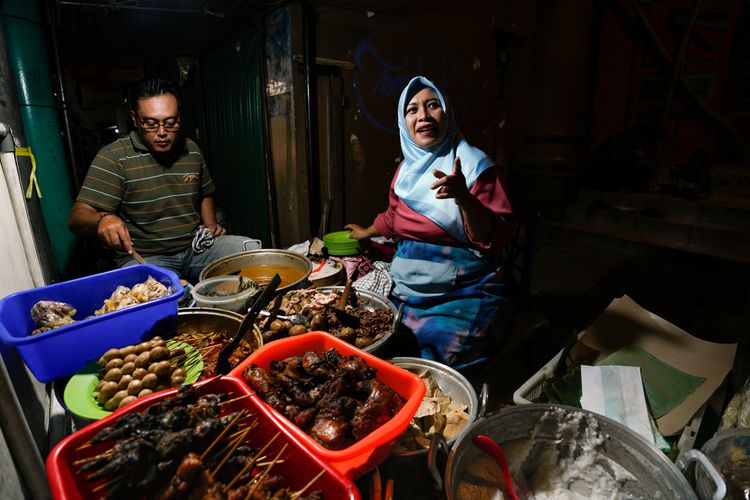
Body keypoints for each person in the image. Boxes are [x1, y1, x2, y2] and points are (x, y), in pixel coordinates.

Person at [345, 76, 515, 369]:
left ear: (446, 113)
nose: (423, 115)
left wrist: (464, 198)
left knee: (436, 364)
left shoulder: (474, 166)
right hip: (407, 289)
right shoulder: (406, 169)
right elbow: (393, 216)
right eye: (412, 109)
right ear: (404, 121)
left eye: (432, 105)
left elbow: (496, 237)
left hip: (462, 292)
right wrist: (367, 232)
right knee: (373, 340)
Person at [69, 77, 259, 282]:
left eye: (170, 123)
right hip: (146, 258)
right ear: (134, 118)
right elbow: (77, 218)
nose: (162, 132)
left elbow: (206, 191)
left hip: (195, 248)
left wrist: (210, 223)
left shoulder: (191, 150)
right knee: (167, 300)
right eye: (151, 123)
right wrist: (102, 219)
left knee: (252, 253)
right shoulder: (114, 157)